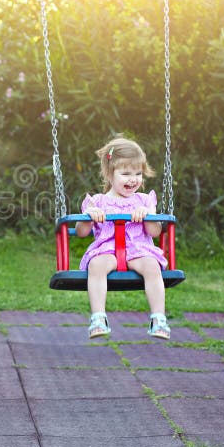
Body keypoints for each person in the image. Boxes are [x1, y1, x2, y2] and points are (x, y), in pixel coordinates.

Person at [75, 135, 170, 341]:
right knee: (96, 265)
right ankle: (98, 317)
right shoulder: (96, 201)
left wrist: (147, 216)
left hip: (139, 250)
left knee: (153, 267)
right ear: (110, 175)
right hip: (107, 250)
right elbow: (81, 233)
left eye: (138, 173)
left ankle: (158, 318)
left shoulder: (145, 200)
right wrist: (88, 217)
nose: (133, 179)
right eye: (126, 173)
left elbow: (154, 232)